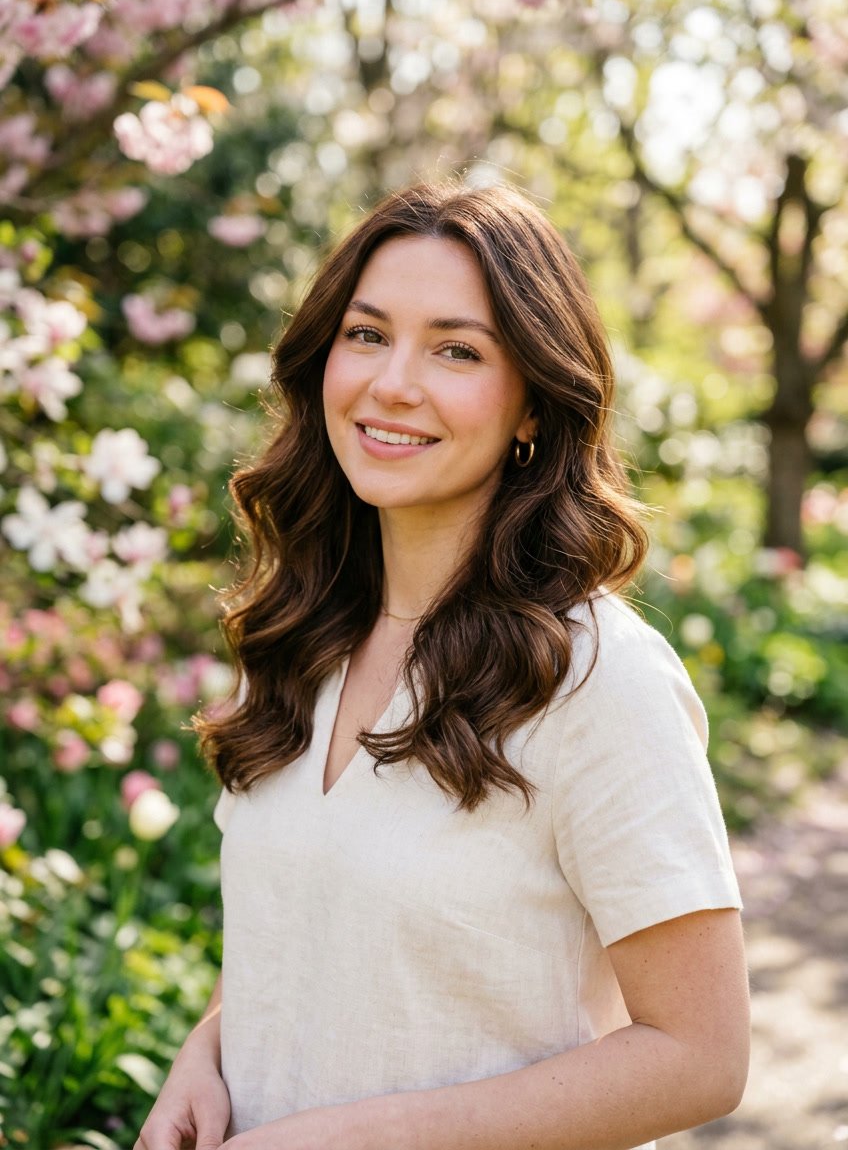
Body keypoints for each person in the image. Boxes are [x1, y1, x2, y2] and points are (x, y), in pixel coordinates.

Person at [135, 180, 749, 1150]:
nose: (390, 383)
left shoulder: (598, 677)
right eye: (366, 334)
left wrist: (351, 1139)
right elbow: (307, 935)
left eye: (455, 349)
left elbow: (699, 1053)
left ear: (532, 407)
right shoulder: (302, 636)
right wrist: (203, 1056)